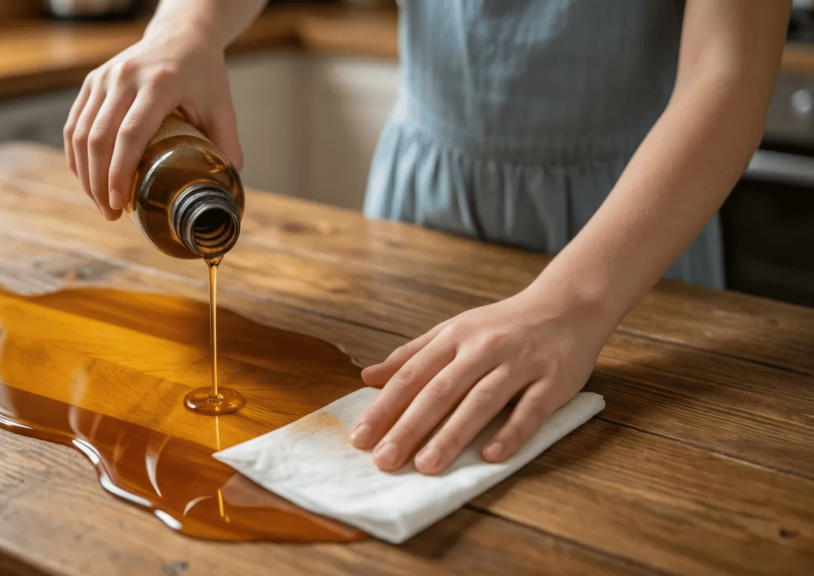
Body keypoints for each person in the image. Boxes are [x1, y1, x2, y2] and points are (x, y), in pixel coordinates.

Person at [64, 0, 790, 476]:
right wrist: (183, 28)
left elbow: (727, 73)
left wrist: (575, 303)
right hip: (420, 198)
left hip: (630, 230)